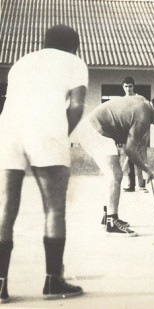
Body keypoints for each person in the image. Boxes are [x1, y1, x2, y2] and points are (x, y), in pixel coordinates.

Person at [0, 24, 88, 302]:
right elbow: (76, 106)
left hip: (8, 130)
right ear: (74, 45)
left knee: (5, 207)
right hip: (47, 130)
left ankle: (0, 285)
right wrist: (63, 134)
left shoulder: (21, 62)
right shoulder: (74, 62)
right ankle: (53, 281)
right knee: (54, 209)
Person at [79, 94, 154, 236]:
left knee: (111, 175)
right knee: (116, 175)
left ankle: (107, 216)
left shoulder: (142, 102)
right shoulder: (143, 116)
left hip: (91, 128)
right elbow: (130, 149)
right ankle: (112, 221)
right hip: (95, 131)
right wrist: (146, 170)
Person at [121, 76, 149, 193]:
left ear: (133, 86)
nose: (128, 89)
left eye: (130, 86)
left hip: (139, 130)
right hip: (127, 131)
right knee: (130, 159)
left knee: (140, 158)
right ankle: (131, 185)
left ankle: (142, 185)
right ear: (123, 87)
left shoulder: (140, 98)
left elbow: (147, 111)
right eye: (126, 86)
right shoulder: (122, 100)